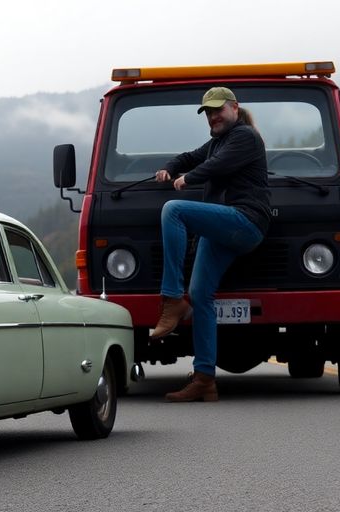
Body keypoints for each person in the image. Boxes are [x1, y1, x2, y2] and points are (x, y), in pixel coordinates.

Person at [151, 87, 271, 402]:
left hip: (245, 221)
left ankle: (172, 298)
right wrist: (170, 167)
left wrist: (189, 178)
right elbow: (190, 157)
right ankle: (204, 379)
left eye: (218, 110)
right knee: (202, 294)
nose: (213, 116)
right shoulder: (218, 141)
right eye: (208, 112)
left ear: (234, 107)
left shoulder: (245, 137)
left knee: (173, 210)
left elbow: (217, 166)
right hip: (222, 227)